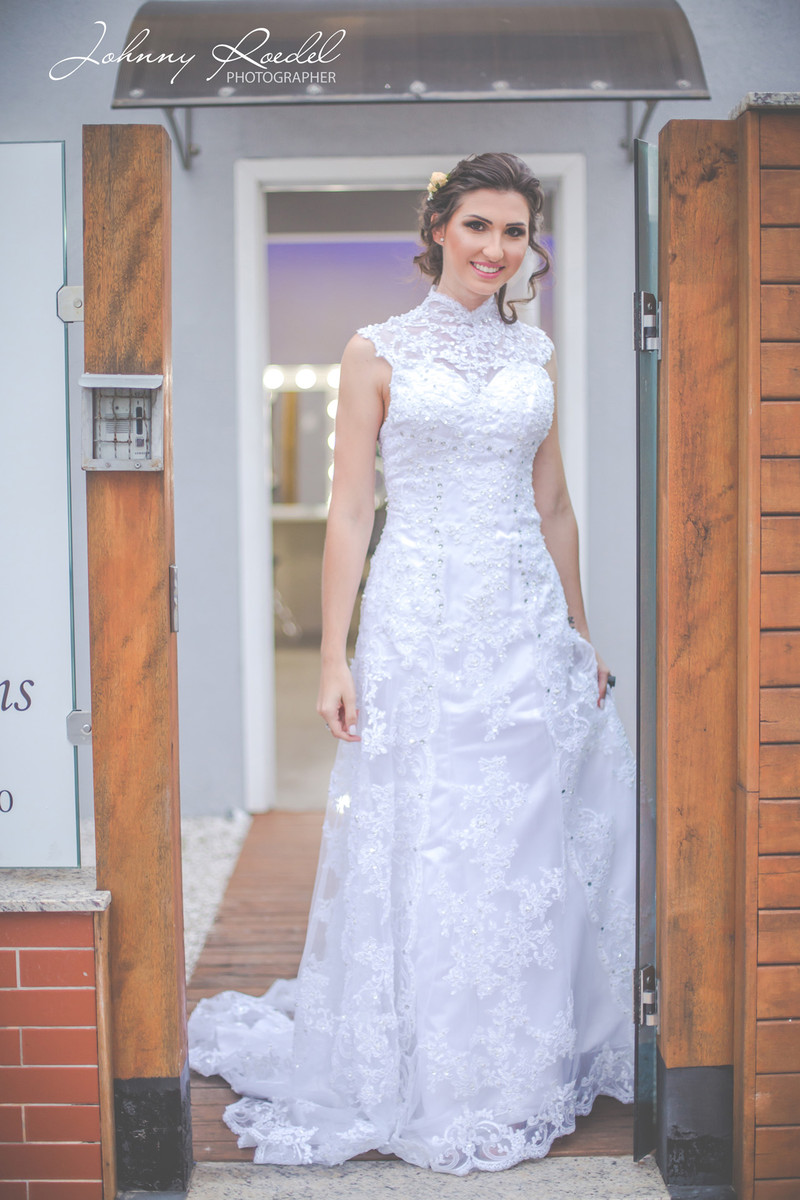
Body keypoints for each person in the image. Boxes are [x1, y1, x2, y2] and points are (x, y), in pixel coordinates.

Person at [189, 151, 636, 1175]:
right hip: (420, 623)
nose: (495, 248)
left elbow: (553, 505)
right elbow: (351, 510)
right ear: (438, 228)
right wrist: (333, 656)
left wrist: (579, 631)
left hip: (522, 622)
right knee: (429, 832)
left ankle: (512, 1063)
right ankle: (422, 1061)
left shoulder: (534, 355)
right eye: (477, 225)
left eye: (514, 231)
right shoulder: (374, 352)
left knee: (521, 840)